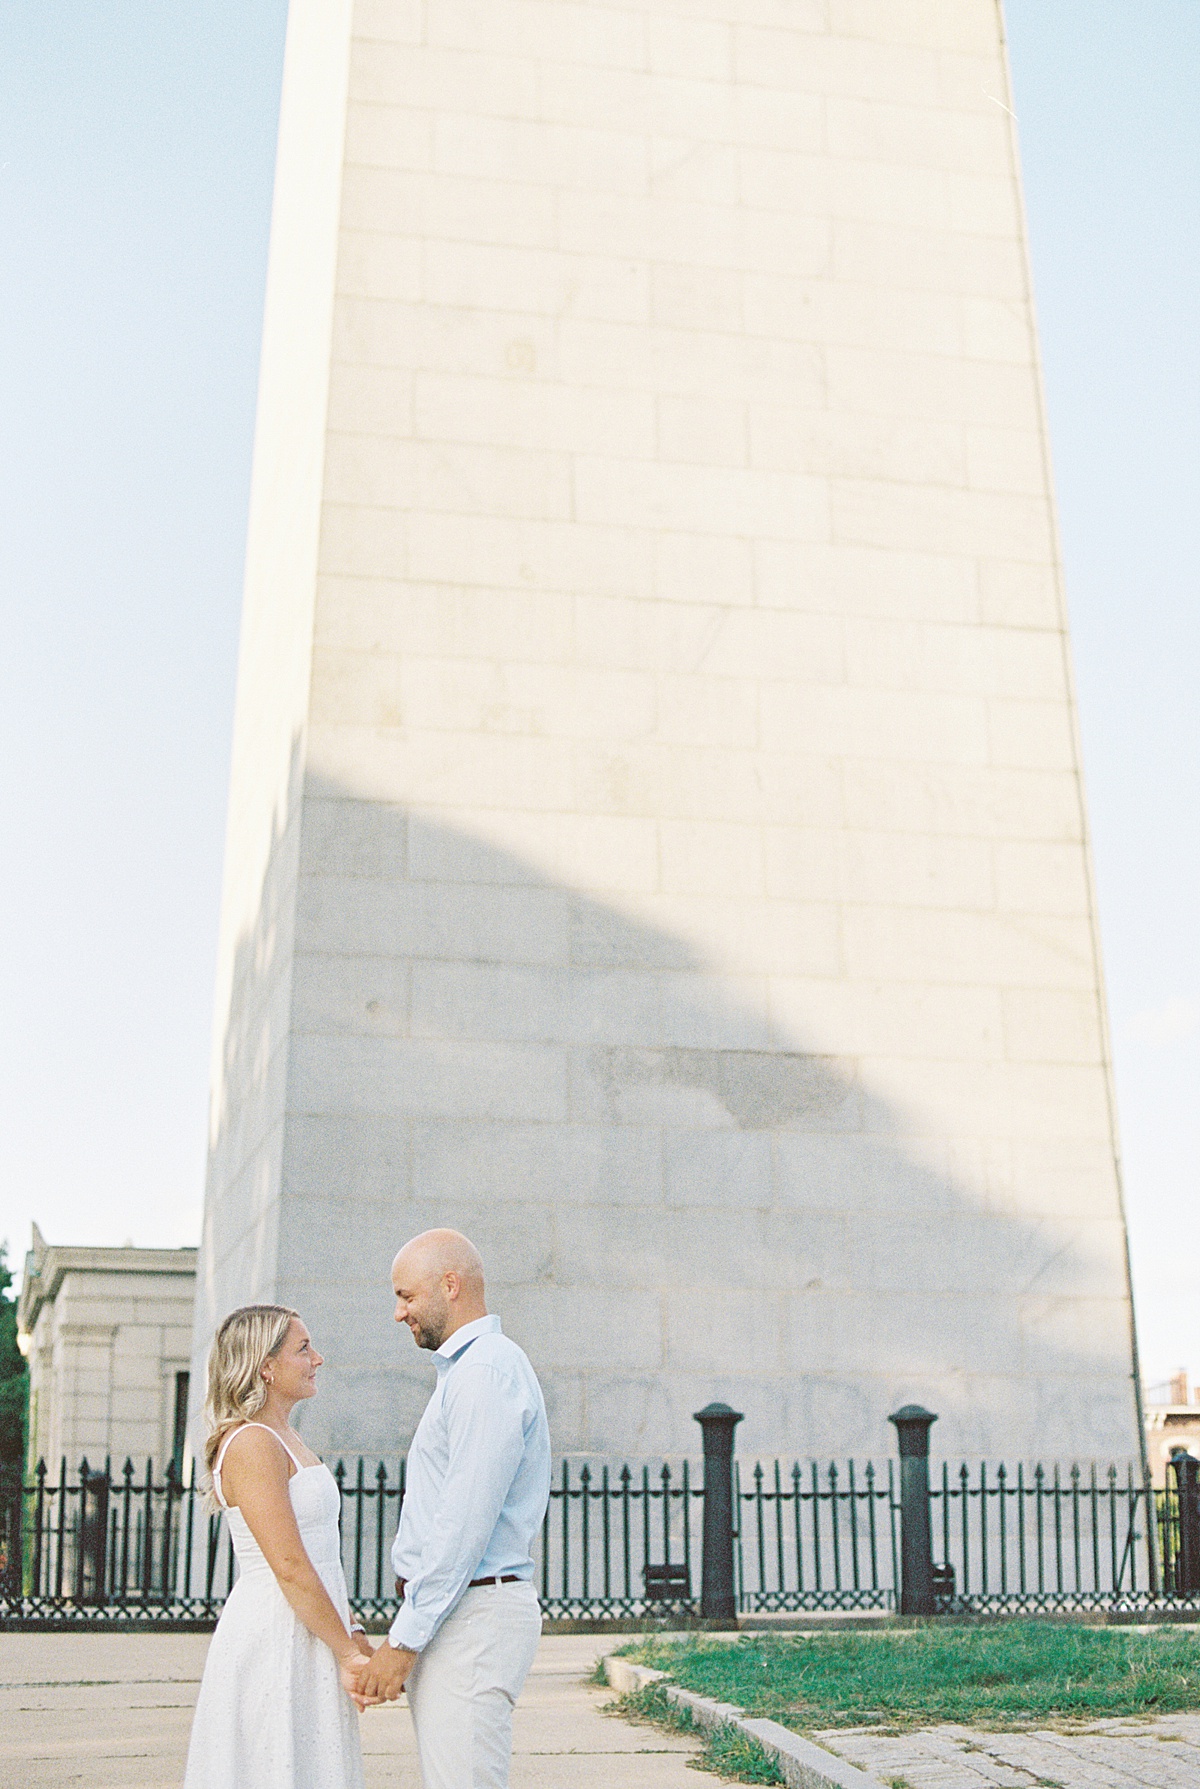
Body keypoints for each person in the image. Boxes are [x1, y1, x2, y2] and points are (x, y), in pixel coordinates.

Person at [355, 1230, 551, 1789]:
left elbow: (464, 1526)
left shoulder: (485, 1373)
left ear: (450, 1285)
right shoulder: (471, 1372)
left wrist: (404, 1640)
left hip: (473, 1617)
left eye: (407, 1296)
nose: (399, 1314)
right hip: (459, 1613)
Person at [183, 1304, 367, 1789]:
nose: (317, 1359)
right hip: (275, 1631)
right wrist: (348, 1653)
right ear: (266, 1366)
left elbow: (320, 1554)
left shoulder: (285, 1437)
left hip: (313, 1626)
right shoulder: (252, 1443)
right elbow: (287, 1564)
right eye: (303, 1348)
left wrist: (350, 1629)